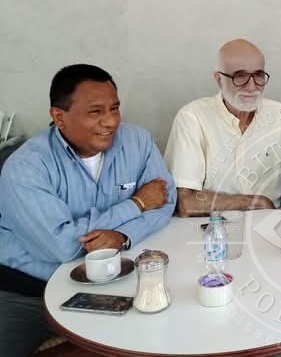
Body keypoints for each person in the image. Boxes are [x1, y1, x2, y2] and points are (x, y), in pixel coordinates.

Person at [0, 64, 176, 356]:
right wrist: (136, 204)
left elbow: (165, 202)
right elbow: (63, 246)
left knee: (163, 339)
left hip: (113, 285)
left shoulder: (137, 141)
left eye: (114, 108)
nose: (111, 121)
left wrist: (122, 236)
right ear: (59, 117)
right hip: (29, 292)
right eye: (95, 112)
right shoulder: (25, 167)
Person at [165, 39, 281, 217]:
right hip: (210, 226)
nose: (252, 86)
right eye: (240, 76)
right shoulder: (192, 117)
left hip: (269, 222)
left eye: (258, 75)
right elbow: (186, 203)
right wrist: (256, 203)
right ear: (219, 79)